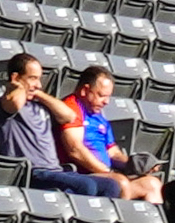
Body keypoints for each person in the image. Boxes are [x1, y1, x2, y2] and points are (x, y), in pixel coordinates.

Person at [0, 53, 122, 200]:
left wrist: (38, 93)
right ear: (15, 78)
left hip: (56, 171)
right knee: (86, 186)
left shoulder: (40, 105)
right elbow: (14, 103)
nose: (38, 84)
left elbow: (69, 116)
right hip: (32, 172)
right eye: (33, 78)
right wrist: (17, 88)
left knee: (111, 185)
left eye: (39, 79)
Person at [59, 66, 163, 203]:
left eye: (108, 96)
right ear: (84, 90)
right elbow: (75, 150)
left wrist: (136, 164)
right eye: (101, 95)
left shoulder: (98, 116)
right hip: (80, 175)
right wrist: (107, 172)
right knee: (120, 182)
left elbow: (113, 153)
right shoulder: (70, 109)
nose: (106, 102)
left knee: (152, 184)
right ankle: (122, 222)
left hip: (105, 174)